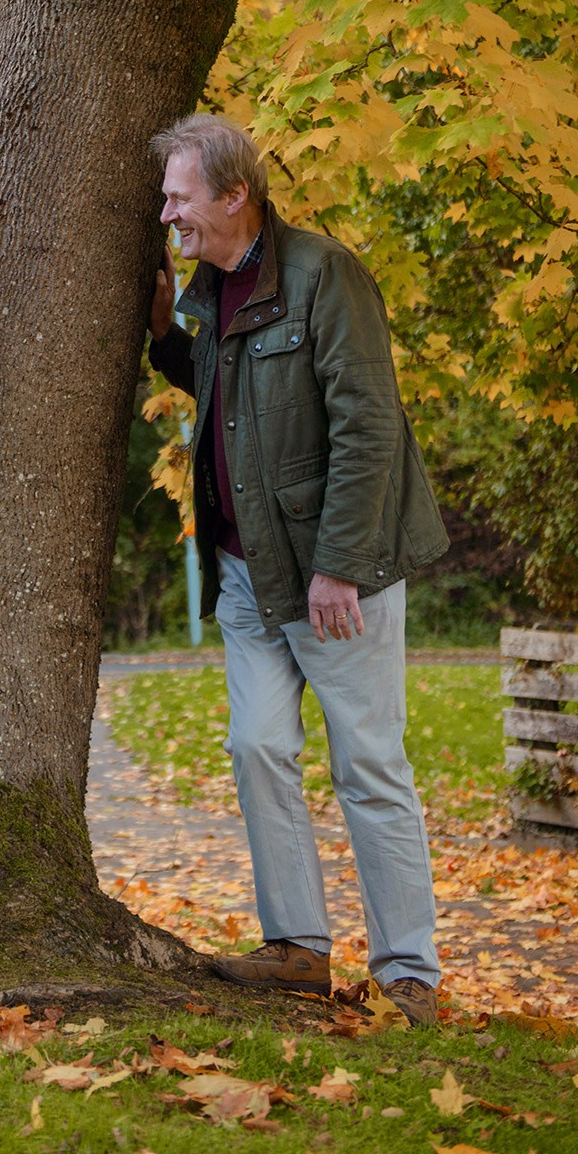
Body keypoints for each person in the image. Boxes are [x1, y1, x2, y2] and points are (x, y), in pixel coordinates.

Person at [147, 114, 449, 1025]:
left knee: (368, 763)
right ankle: (296, 948)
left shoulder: (324, 275)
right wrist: (160, 321)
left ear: (234, 194)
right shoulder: (209, 286)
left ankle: (408, 970)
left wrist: (341, 567)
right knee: (256, 748)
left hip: (332, 576)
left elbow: (370, 427)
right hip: (245, 573)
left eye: (180, 195)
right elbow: (216, 387)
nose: (168, 211)